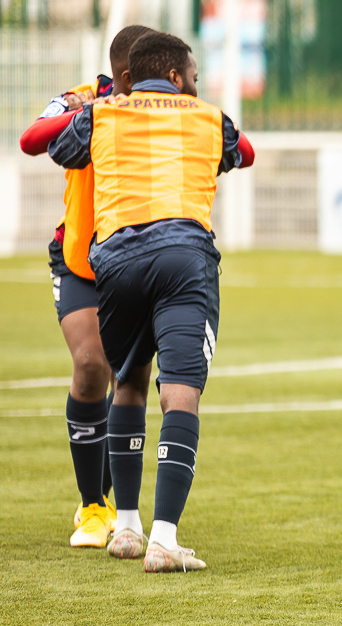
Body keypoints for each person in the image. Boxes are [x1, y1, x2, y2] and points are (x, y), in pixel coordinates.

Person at [46, 30, 255, 573]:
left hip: (115, 261)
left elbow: (55, 146)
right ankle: (164, 540)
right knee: (180, 394)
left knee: (130, 384)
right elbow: (241, 155)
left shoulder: (105, 112)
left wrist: (88, 105)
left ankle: (127, 529)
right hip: (184, 256)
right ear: (181, 76)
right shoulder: (206, 115)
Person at [18, 24, 152, 548]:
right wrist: (83, 111)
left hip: (138, 262)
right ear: (123, 75)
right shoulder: (84, 98)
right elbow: (31, 140)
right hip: (79, 260)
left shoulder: (166, 110)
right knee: (92, 363)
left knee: (128, 379)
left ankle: (107, 498)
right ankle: (95, 508)